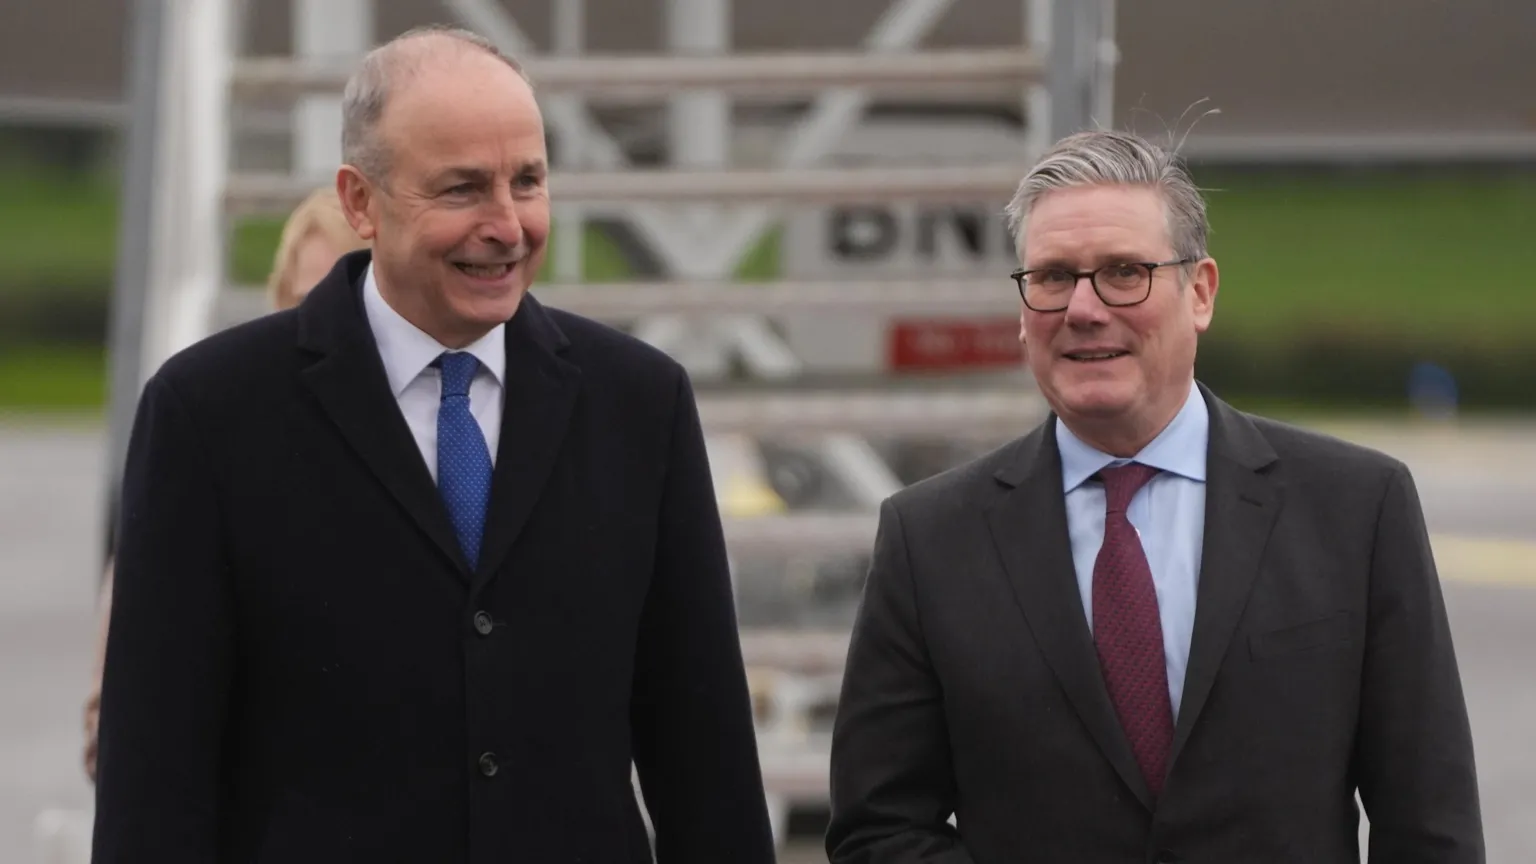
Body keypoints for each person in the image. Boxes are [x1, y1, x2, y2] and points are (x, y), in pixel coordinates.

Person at [92, 25, 774, 863]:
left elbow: (702, 749)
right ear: (359, 202)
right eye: (461, 190)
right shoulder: (209, 414)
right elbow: (155, 774)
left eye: (527, 181)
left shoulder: (640, 402)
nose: (507, 224)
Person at [826, 129, 1484, 862]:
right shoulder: (930, 539)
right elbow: (878, 829)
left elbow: (1431, 828)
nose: (1083, 308)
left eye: (1123, 272)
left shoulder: (1358, 509)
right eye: (1051, 277)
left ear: (1198, 292)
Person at [81, 187, 365, 783]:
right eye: (306, 302)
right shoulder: (208, 456)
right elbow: (121, 726)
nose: (332, 324)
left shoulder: (461, 456)